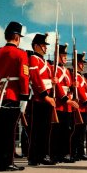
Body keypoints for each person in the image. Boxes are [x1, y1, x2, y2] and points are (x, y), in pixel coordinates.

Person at [0, 21, 29, 171]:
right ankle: (8, 162)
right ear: (17, 37)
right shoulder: (21, 54)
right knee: (10, 130)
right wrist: (24, 97)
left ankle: (0, 163)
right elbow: (24, 77)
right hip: (13, 96)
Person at [27, 33, 57, 166]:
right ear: (35, 46)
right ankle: (35, 156)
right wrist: (45, 96)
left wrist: (53, 81)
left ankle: (42, 154)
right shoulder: (33, 59)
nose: (45, 48)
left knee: (45, 129)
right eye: (43, 45)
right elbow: (35, 78)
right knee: (38, 129)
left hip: (47, 98)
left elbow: (45, 79)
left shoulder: (44, 62)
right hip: (40, 98)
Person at [50, 43, 79, 163]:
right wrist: (66, 100)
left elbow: (68, 87)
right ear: (57, 56)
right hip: (60, 104)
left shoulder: (67, 71)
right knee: (57, 132)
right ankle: (56, 154)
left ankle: (65, 153)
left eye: (66, 55)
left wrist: (73, 87)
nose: (65, 57)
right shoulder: (53, 68)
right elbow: (57, 86)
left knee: (67, 131)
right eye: (63, 55)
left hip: (68, 106)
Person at [71, 52, 87, 161]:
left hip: (84, 107)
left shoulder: (82, 77)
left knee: (82, 131)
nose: (82, 65)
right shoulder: (74, 75)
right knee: (77, 131)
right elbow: (80, 92)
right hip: (80, 107)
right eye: (80, 63)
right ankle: (75, 152)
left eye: (82, 63)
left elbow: (85, 91)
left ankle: (80, 152)